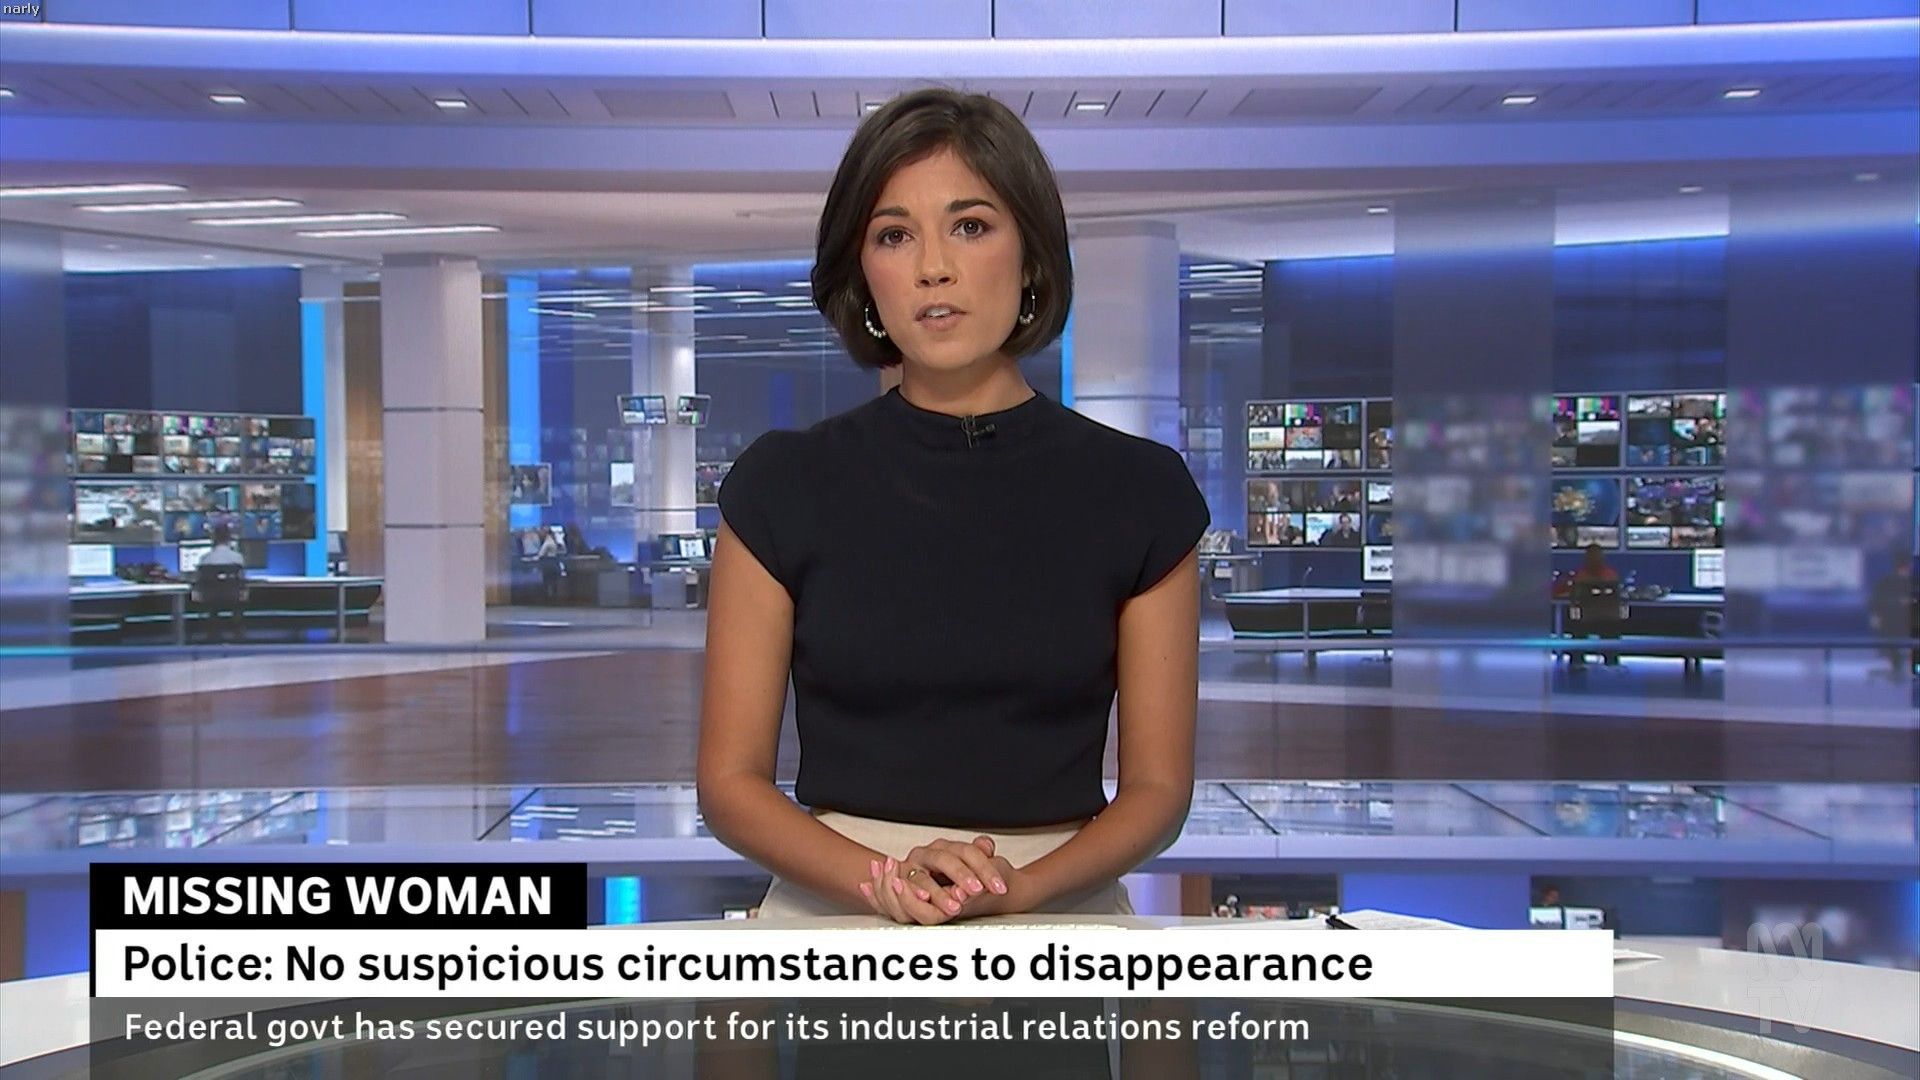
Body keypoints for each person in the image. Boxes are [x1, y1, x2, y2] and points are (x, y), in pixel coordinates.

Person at [698, 88, 1208, 924]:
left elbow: (1158, 791)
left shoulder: (1141, 491)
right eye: (894, 235)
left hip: (1056, 909)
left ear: (1031, 255)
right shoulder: (781, 486)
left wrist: (1018, 890)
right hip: (840, 905)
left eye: (970, 226)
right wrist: (887, 879)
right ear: (863, 272)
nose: (933, 267)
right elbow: (729, 784)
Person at [1568, 543, 1623, 669]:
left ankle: (1577, 662)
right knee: (1610, 631)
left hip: (1590, 619)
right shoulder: (1611, 575)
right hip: (1604, 619)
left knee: (1577, 630)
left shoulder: (1582, 577)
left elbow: (1574, 598)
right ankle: (1611, 662)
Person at [194, 522, 248, 642]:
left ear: (213, 538)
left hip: (210, 599)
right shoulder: (237, 558)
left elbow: (199, 582)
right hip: (233, 597)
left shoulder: (205, 559)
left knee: (211, 604)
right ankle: (238, 632)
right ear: (229, 538)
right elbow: (242, 581)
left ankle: (211, 632)